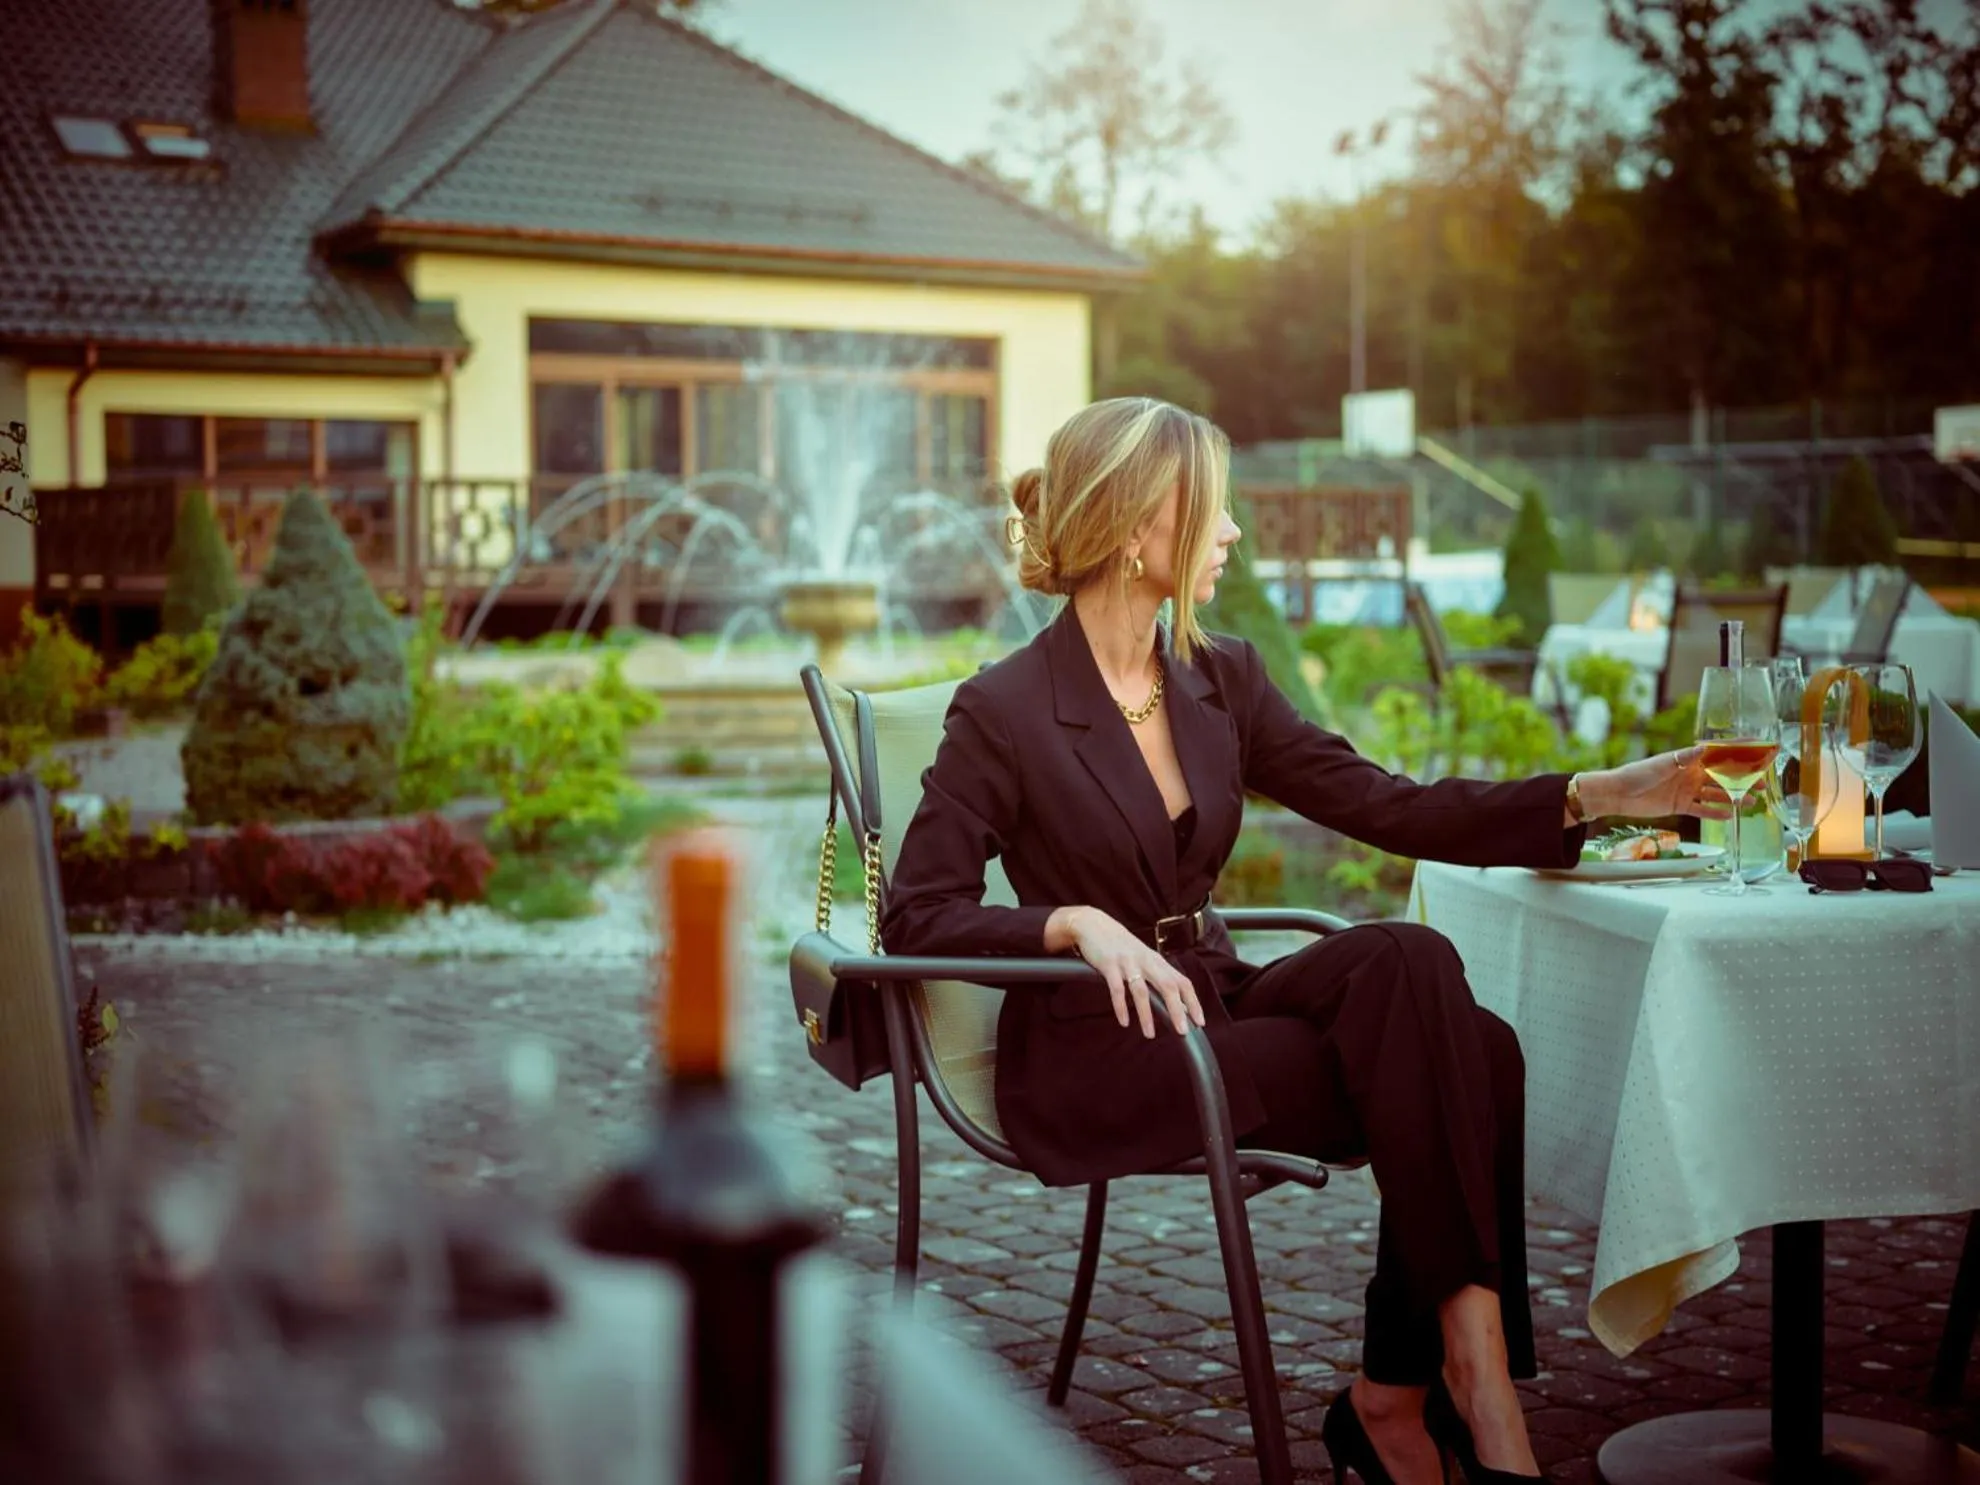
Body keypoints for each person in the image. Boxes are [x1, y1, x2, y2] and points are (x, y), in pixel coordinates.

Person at [879, 398, 1722, 1485]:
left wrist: (1602, 793)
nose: (1232, 533)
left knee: (1412, 969)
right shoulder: (1005, 709)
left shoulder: (1219, 676)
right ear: (1141, 529)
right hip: (1103, 1053)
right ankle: (1440, 1395)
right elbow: (916, 911)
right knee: (1475, 1056)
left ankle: (1433, 1384)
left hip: (1209, 1000)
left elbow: (1391, 805)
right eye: (1215, 511)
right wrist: (1070, 922)